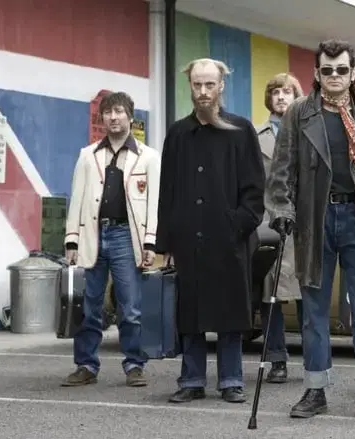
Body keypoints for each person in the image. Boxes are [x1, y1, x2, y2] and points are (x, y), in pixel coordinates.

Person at [265, 39, 355, 421]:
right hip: (315, 221)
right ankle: (315, 391)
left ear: (353, 73)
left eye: (341, 69)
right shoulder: (299, 113)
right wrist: (281, 210)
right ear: (316, 73)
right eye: (327, 70)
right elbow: (281, 170)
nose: (334, 76)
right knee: (313, 312)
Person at [156, 58, 266, 403]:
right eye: (197, 84)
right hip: (188, 239)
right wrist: (165, 241)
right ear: (190, 86)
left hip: (229, 238)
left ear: (221, 86)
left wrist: (237, 224)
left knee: (230, 312)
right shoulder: (177, 133)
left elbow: (255, 189)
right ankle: (191, 380)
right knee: (189, 312)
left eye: (209, 84)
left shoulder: (241, 130)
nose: (203, 91)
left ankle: (231, 380)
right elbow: (167, 191)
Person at [62, 91, 160, 388]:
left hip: (126, 237)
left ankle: (134, 365)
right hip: (93, 235)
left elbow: (154, 204)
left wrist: (151, 243)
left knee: (130, 308)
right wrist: (71, 241)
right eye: (108, 112)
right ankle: (86, 365)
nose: (113, 117)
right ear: (102, 118)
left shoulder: (149, 156)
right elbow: (77, 199)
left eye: (119, 111)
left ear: (130, 116)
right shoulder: (88, 155)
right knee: (89, 307)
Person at [255, 72, 305, 384]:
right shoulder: (254, 135)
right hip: (268, 225)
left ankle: (314, 360)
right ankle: (277, 360)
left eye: (287, 91)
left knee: (307, 296)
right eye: (275, 92)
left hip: (301, 225)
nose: (281, 97)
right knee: (269, 297)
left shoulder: (308, 133)